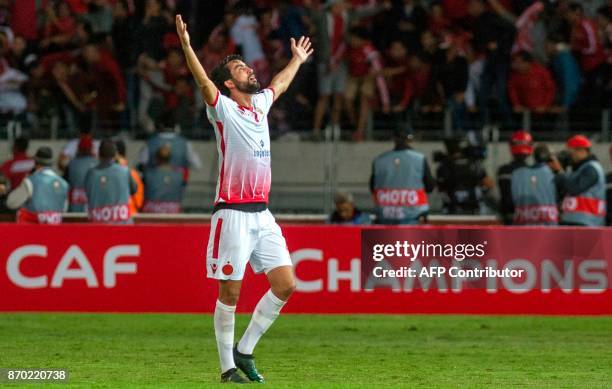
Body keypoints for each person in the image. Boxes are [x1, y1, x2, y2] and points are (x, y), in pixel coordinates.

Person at [176, 14, 313, 383]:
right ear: (228, 82)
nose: (250, 71)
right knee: (231, 292)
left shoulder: (260, 106)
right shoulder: (222, 108)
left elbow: (280, 84)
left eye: (248, 67)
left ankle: (245, 349)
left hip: (263, 214)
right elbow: (203, 81)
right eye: (241, 69)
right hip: (232, 212)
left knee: (286, 285)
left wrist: (297, 60)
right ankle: (226, 369)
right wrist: (188, 46)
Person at [370, 128, 435, 224]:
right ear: (410, 139)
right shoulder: (419, 159)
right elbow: (430, 187)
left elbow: (372, 187)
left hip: (385, 215)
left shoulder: (379, 160)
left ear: (393, 139)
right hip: (413, 214)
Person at [550, 135, 606, 226]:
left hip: (588, 223)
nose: (570, 157)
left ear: (581, 150)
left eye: (571, 153)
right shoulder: (578, 169)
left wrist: (560, 172)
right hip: (576, 221)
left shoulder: (591, 169)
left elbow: (574, 188)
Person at [6, 146, 69, 224]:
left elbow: (11, 203)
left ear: (35, 162)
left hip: (35, 231)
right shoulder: (64, 184)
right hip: (55, 231)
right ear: (51, 163)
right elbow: (64, 208)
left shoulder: (30, 181)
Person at [84, 139, 137, 224]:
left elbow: (88, 193)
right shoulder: (124, 171)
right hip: (122, 225)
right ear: (116, 154)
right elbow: (134, 190)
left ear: (99, 154)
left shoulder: (91, 173)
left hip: (98, 225)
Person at [511, 144, 558, 225]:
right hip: (548, 226)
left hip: (522, 225)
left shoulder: (517, 174)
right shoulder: (552, 174)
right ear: (550, 159)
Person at [497, 130, 533, 225]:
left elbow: (503, 198)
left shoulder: (504, 170)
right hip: (528, 218)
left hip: (509, 218)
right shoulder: (534, 172)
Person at [142, 144, 185, 213]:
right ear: (170, 158)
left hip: (152, 208)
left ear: (157, 158)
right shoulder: (179, 174)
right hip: (173, 208)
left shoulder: (148, 174)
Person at [66, 135, 98, 212]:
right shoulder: (97, 163)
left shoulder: (72, 163)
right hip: (93, 206)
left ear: (79, 148)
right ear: (91, 148)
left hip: (75, 205)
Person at [116, 139, 144, 215]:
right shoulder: (133, 174)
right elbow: (139, 203)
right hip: (131, 218)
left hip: (113, 219)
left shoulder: (104, 174)